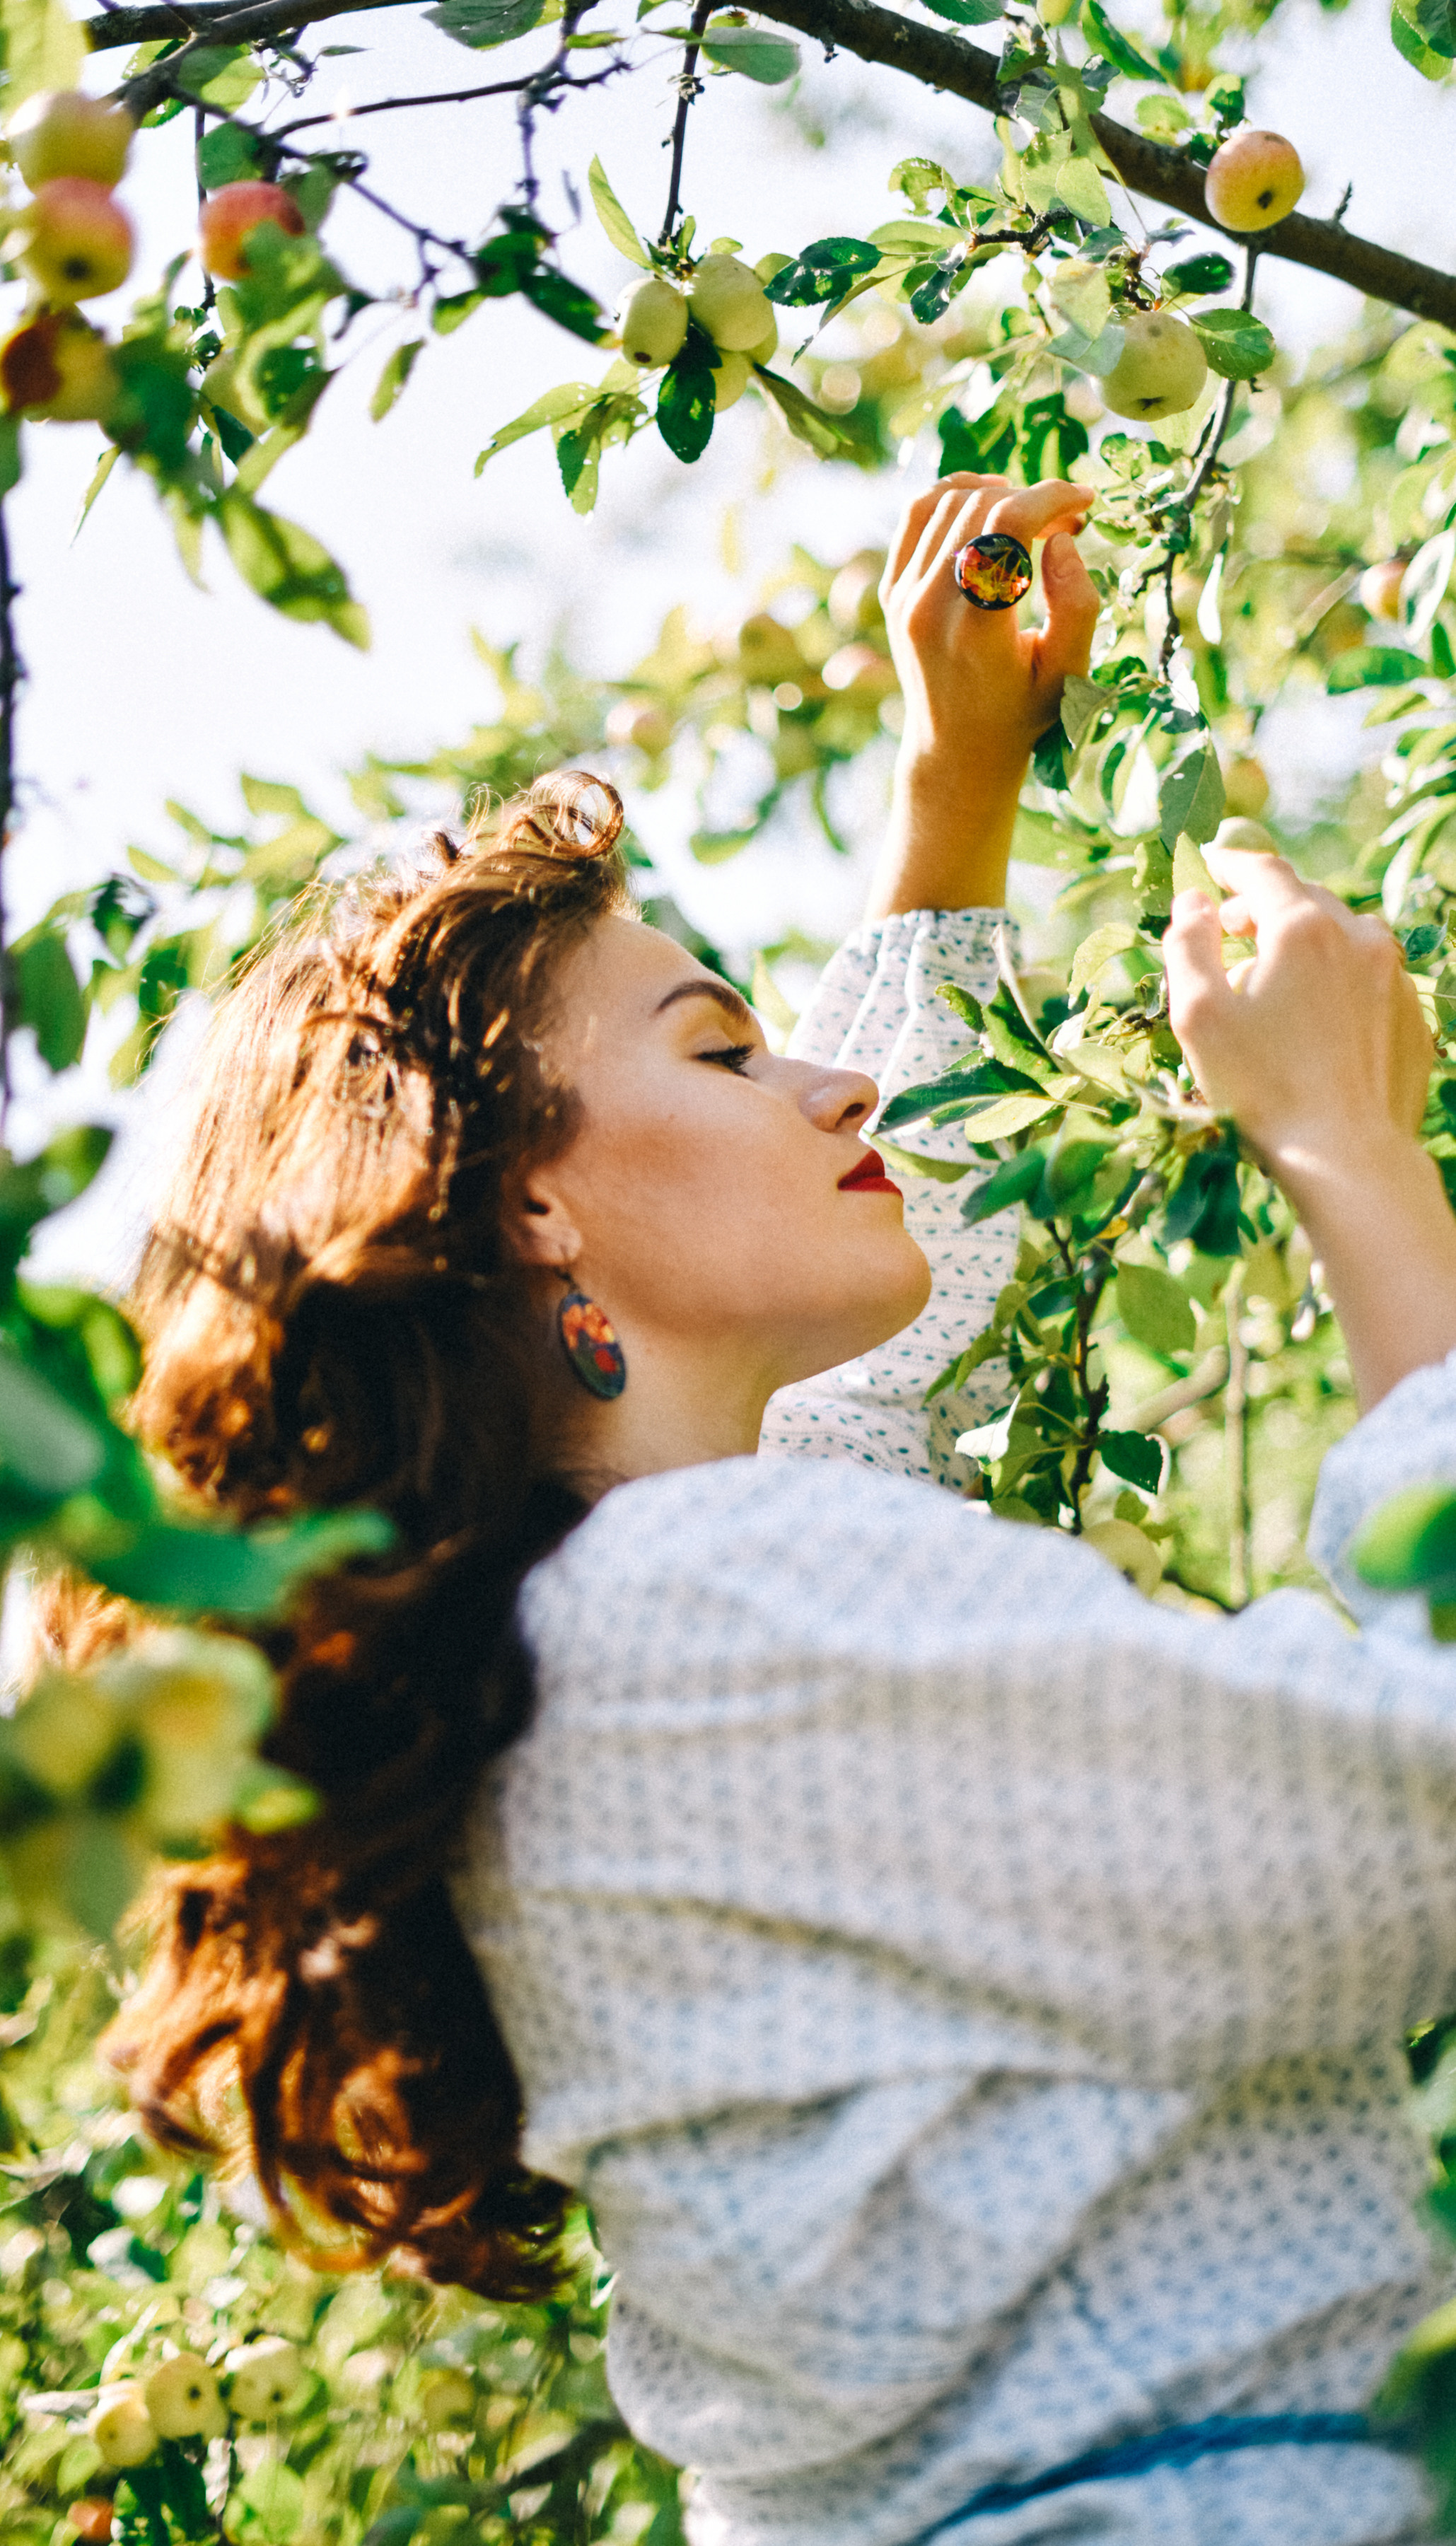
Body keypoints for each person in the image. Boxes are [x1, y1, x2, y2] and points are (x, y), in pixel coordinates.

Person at [76, 472, 1456, 2546]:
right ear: (530, 1195)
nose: (831, 1091)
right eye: (724, 1052)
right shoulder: (702, 1614)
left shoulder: (594, 1643)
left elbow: (870, 1391)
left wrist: (949, 789)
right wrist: (1354, 1155)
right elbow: (1427, 1807)